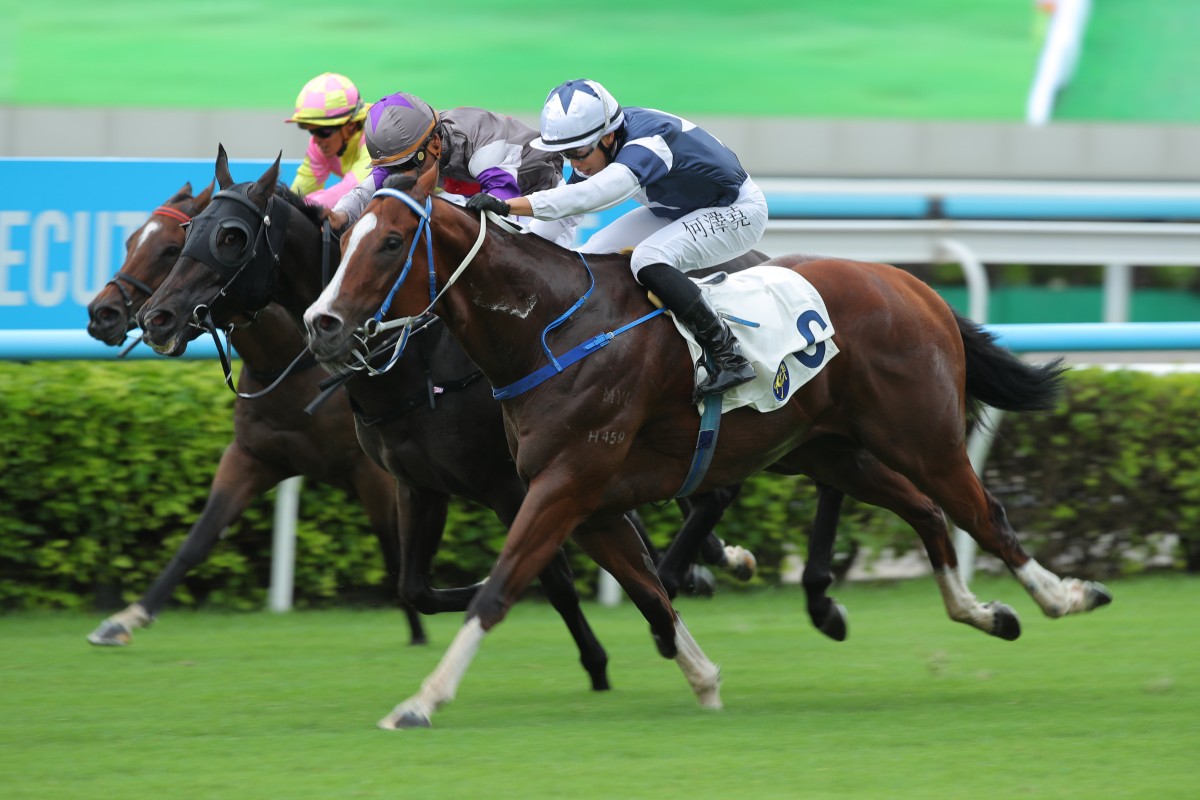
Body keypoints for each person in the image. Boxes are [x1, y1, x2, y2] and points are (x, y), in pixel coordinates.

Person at [465, 79, 766, 400]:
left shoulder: (649, 144)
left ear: (608, 137)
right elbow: (564, 215)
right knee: (586, 260)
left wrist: (510, 205)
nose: (574, 163)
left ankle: (727, 354)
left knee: (647, 259)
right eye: (565, 154)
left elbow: (595, 195)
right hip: (674, 210)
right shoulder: (595, 146)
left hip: (736, 211)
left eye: (577, 153)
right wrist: (515, 255)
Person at [329, 91, 577, 246]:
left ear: (435, 143)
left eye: (409, 165)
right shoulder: (410, 150)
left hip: (535, 198)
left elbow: (504, 220)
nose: (405, 176)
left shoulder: (485, 148)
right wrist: (338, 217)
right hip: (473, 187)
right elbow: (364, 193)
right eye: (395, 168)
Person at [284, 72, 372, 209]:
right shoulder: (318, 146)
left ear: (351, 125)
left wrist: (294, 207)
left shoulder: (376, 138)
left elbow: (354, 191)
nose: (316, 140)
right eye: (312, 131)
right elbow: (298, 192)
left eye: (324, 131)